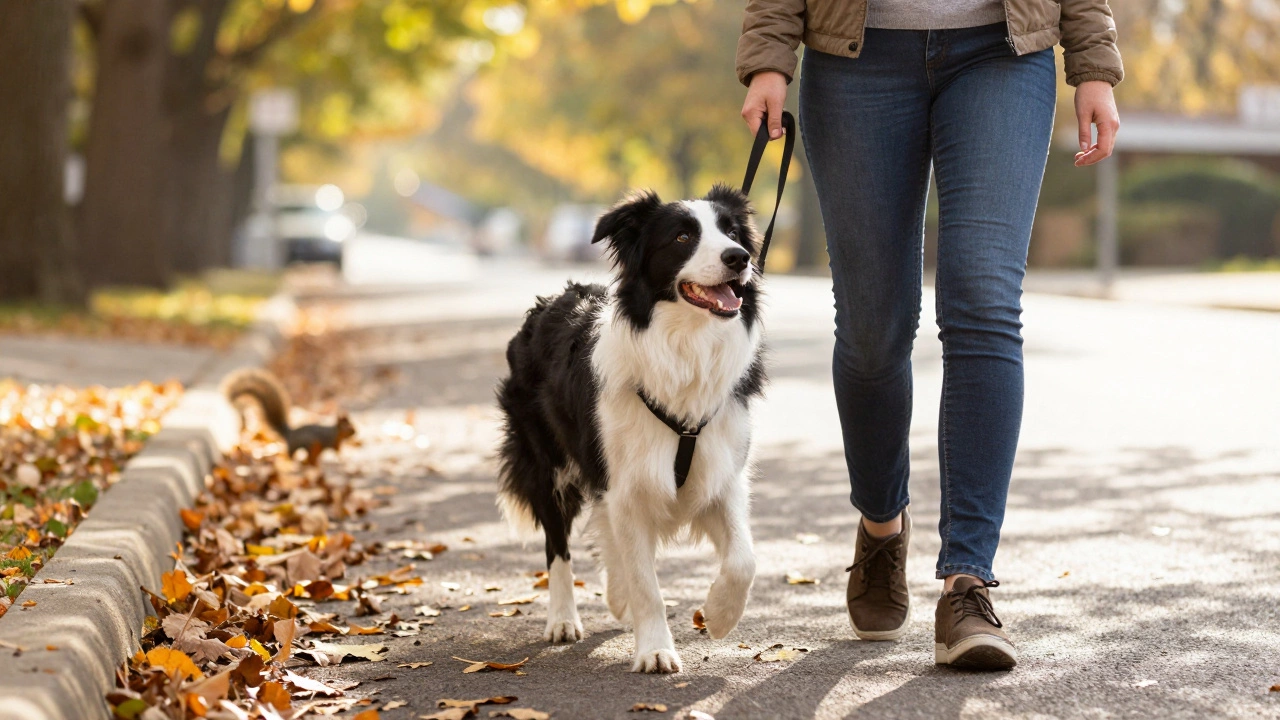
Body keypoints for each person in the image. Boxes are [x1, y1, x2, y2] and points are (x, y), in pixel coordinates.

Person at [737, 0, 1122, 670]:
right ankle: (882, 525)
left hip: (1004, 51)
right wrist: (768, 55)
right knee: (872, 326)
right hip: (857, 58)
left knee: (983, 299)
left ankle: (968, 582)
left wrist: (1094, 61)